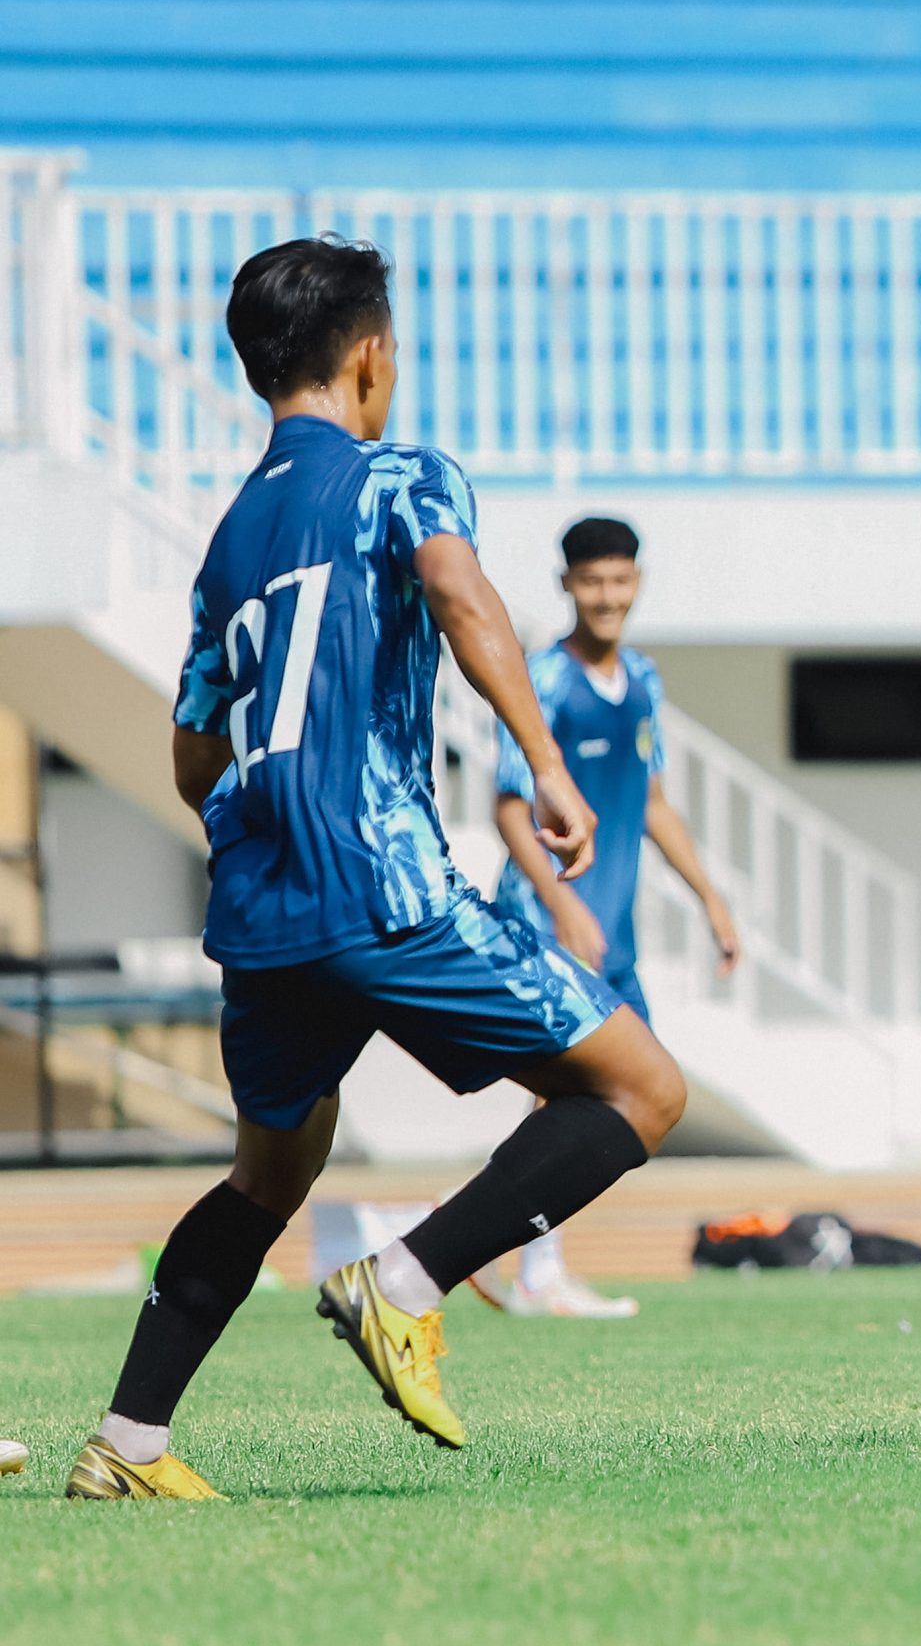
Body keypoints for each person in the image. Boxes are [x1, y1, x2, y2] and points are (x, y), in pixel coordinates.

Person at [66, 237, 687, 1501]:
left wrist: (268, 820)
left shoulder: (232, 536)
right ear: (371, 356)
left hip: (261, 898)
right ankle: (401, 1282)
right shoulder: (400, 475)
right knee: (640, 1086)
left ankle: (126, 1444)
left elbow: (193, 754)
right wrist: (545, 763)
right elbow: (460, 597)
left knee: (270, 1171)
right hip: (378, 879)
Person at [472, 515, 739, 1318]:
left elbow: (652, 802)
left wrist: (711, 898)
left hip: (610, 932)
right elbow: (511, 810)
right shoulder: (544, 682)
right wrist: (562, 906)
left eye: (619, 580)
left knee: (624, 1099)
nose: (606, 596)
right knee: (587, 1093)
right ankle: (532, 1267)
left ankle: (487, 1238)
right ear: (566, 586)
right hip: (551, 923)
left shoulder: (644, 682)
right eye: (591, 581)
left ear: (638, 582)